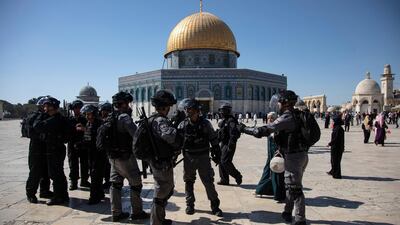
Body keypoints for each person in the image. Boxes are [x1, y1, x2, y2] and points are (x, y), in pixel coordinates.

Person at [241, 90, 309, 225]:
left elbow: (265, 130)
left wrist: (244, 129)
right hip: (300, 155)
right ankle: (287, 212)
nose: (277, 105)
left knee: (295, 189)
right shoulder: (296, 115)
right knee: (290, 185)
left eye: (279, 102)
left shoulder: (287, 117)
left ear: (285, 103)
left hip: (293, 157)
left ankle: (300, 219)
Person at [102, 92, 148, 222]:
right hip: (125, 157)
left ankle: (116, 213)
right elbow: (137, 135)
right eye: (127, 103)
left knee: (115, 184)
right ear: (123, 104)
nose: (129, 106)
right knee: (136, 184)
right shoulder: (124, 118)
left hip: (113, 157)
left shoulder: (110, 117)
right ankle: (137, 212)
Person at [177, 99, 223, 216]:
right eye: (186, 109)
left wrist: (217, 151)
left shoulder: (205, 124)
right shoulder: (183, 124)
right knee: (189, 181)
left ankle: (215, 205)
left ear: (197, 111)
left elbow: (213, 138)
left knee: (208, 181)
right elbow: (177, 142)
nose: (187, 111)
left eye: (190, 109)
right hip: (189, 157)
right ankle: (190, 204)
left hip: (203, 157)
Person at [148, 90, 181, 225]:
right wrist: (179, 130)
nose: (169, 109)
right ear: (164, 106)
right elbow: (170, 136)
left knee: (166, 189)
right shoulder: (160, 120)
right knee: (162, 192)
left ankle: (159, 219)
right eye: (168, 106)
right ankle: (156, 222)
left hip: (156, 160)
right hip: (161, 162)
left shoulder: (152, 118)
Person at [33, 97, 70, 205]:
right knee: (59, 173)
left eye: (47, 106)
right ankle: (63, 195)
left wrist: (41, 114)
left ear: (53, 107)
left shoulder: (54, 119)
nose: (45, 108)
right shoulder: (58, 118)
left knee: (55, 174)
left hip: (55, 149)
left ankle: (58, 197)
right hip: (56, 148)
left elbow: (37, 126)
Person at [25, 96, 53, 203]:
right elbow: (30, 132)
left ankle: (44, 191)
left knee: (46, 170)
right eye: (45, 105)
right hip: (36, 146)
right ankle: (31, 193)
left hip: (46, 146)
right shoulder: (34, 116)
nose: (47, 108)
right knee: (35, 171)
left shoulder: (48, 116)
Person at [254, 112, 285, 201]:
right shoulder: (269, 128)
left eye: (271, 118)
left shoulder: (278, 129)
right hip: (270, 155)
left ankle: (279, 195)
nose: (269, 120)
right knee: (267, 172)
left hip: (277, 156)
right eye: (268, 118)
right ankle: (260, 190)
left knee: (277, 175)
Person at [80, 105, 106, 204]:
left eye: (89, 114)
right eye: (86, 114)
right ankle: (99, 193)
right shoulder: (89, 123)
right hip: (91, 153)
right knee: (95, 174)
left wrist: (85, 130)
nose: (87, 116)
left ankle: (94, 197)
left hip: (99, 154)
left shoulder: (99, 124)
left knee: (96, 175)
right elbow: (88, 138)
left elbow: (96, 137)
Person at [217, 102, 242, 186]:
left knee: (225, 161)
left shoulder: (231, 121)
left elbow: (233, 134)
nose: (221, 113)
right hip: (223, 143)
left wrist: (231, 145)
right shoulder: (224, 121)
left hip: (228, 144)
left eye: (222, 111)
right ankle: (224, 179)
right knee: (220, 161)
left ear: (227, 111)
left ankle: (237, 175)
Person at [67, 100, 89, 190]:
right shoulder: (69, 119)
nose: (77, 110)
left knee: (85, 164)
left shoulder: (86, 119)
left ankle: (84, 180)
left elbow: (90, 130)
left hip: (83, 144)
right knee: (73, 164)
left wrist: (84, 129)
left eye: (79, 108)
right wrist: (74, 129)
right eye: (76, 108)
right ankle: (74, 182)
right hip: (72, 144)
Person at [98, 102, 113, 190]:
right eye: (103, 111)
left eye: (106, 111)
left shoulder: (111, 122)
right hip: (102, 148)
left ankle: (109, 182)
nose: (104, 113)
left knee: (108, 167)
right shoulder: (101, 121)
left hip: (109, 148)